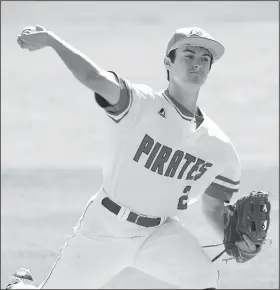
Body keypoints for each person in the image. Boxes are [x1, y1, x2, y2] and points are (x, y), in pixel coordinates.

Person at [10, 25, 258, 289]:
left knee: (205, 278)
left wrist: (237, 240)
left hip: (159, 233)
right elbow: (93, 77)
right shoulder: (139, 104)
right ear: (168, 62)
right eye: (188, 55)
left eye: (204, 58)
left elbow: (213, 207)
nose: (197, 63)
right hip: (106, 229)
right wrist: (50, 40)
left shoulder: (219, 147)